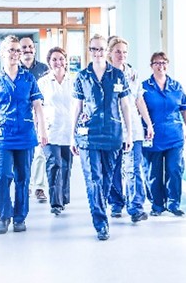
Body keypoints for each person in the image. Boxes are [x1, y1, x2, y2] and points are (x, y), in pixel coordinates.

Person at [0, 35, 47, 234]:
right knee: (2, 175)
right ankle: (4, 215)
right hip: (2, 134)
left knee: (23, 177)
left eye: (18, 50)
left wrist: (42, 130)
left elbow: (38, 106)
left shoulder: (28, 78)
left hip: (26, 134)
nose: (16, 54)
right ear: (2, 53)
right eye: (11, 50)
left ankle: (20, 217)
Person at [70, 34, 133, 241]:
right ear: (89, 51)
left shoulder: (117, 76)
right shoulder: (82, 76)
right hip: (88, 135)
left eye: (101, 49)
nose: (98, 53)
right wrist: (72, 137)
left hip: (113, 135)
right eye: (94, 49)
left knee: (106, 178)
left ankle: (101, 207)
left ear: (107, 51)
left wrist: (129, 133)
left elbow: (125, 105)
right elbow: (77, 107)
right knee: (93, 178)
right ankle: (101, 222)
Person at [107, 37, 154, 222]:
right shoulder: (105, 74)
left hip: (133, 128)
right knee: (114, 168)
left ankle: (135, 208)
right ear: (110, 53)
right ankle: (116, 204)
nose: (121, 55)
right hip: (113, 128)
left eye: (124, 52)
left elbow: (139, 100)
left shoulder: (132, 73)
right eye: (118, 51)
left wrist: (148, 123)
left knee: (134, 168)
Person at [142, 51, 186, 217]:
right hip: (152, 137)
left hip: (174, 137)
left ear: (168, 65)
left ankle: (173, 203)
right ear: (151, 66)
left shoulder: (176, 86)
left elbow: (184, 109)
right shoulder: (144, 87)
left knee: (174, 169)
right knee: (153, 172)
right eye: (157, 63)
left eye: (163, 62)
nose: (161, 66)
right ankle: (157, 205)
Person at [37, 47, 74, 216]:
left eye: (61, 59)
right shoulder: (43, 82)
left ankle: (63, 197)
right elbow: (37, 108)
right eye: (54, 59)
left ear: (66, 61)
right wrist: (40, 130)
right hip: (50, 130)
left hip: (69, 130)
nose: (58, 62)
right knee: (54, 164)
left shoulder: (74, 81)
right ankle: (56, 202)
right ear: (49, 62)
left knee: (66, 165)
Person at [20, 36, 50, 202]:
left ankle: (39, 186)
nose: (28, 50)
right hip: (21, 117)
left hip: (40, 115)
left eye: (30, 47)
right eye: (24, 47)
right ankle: (25, 185)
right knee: (24, 154)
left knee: (39, 152)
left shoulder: (44, 69)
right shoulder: (14, 68)